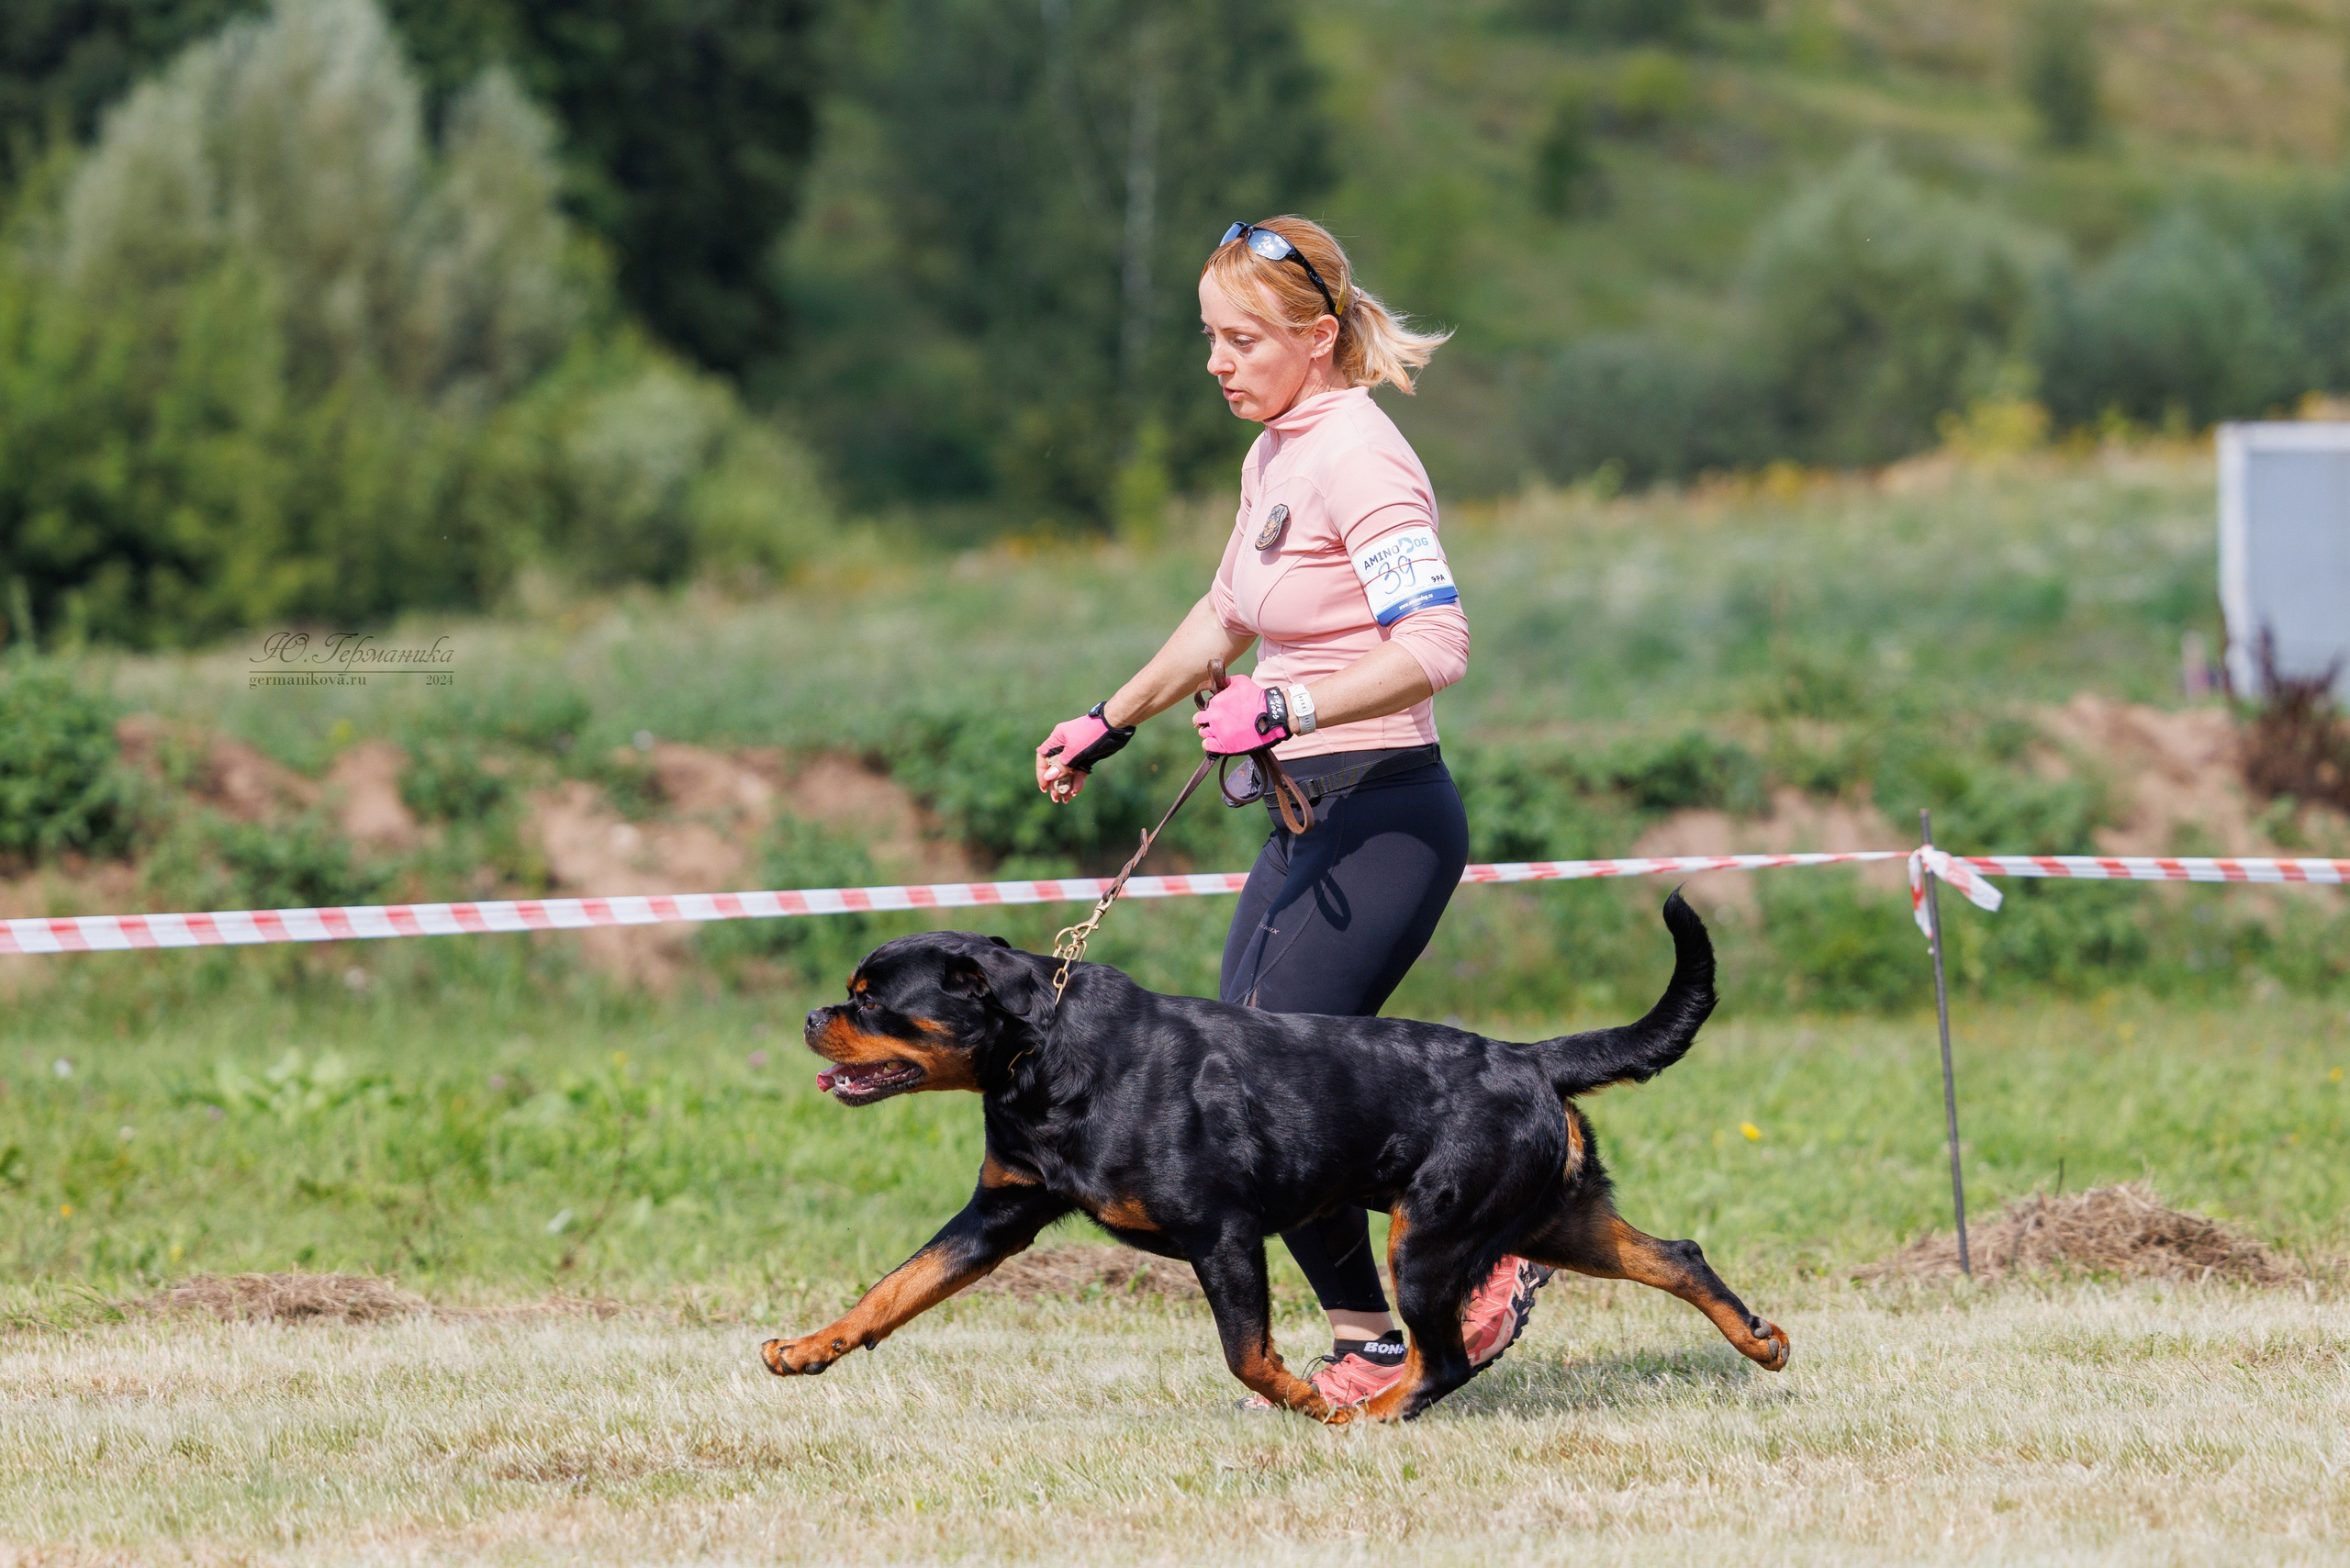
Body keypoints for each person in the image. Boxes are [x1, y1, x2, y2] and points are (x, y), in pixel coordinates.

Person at [1033, 216, 1549, 1409]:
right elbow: (1224, 617)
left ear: (1317, 339)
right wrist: (1110, 719)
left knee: (1276, 1092)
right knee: (1241, 1088)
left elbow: (1437, 645)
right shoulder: (1276, 450)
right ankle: (1370, 1335)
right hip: (1308, 814)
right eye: (1210, 338)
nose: (1219, 362)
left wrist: (1289, 706)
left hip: (1388, 813)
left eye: (1244, 339)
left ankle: (1495, 1230)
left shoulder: (1360, 456)